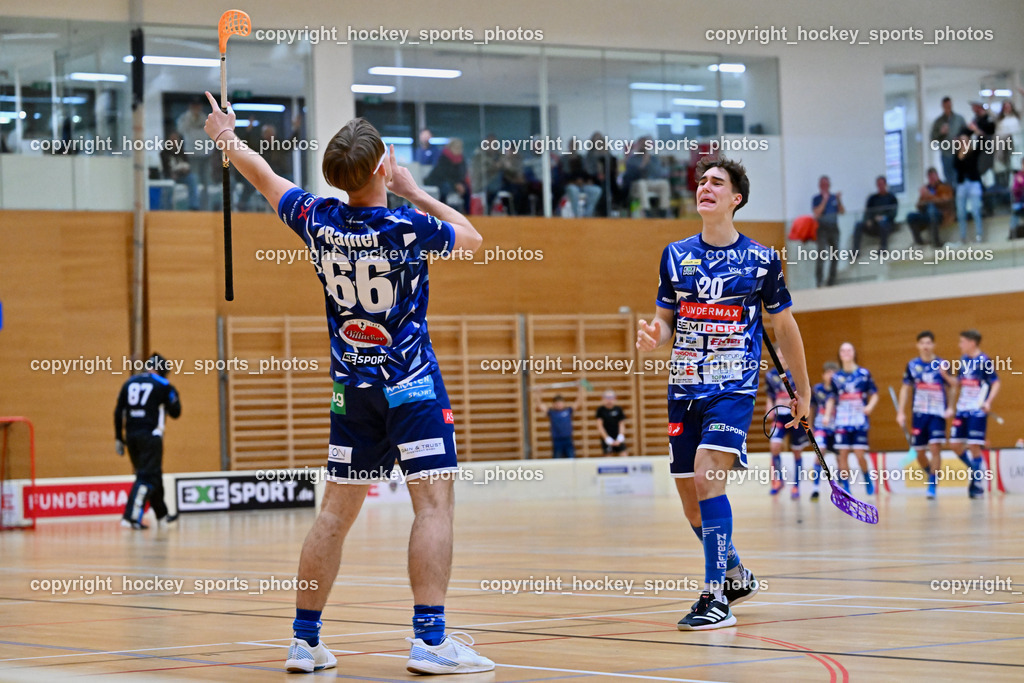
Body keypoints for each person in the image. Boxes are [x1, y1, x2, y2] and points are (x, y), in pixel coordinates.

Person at [200, 92, 492, 675]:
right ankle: (430, 641)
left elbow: (265, 175)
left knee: (334, 514)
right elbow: (472, 238)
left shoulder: (317, 218)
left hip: (350, 391)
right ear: (383, 164)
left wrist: (225, 139)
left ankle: (304, 643)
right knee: (432, 505)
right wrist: (415, 192)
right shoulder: (409, 225)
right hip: (410, 385)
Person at [636, 155, 812, 630]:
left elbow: (784, 326)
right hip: (684, 387)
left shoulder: (761, 259)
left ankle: (715, 596)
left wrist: (803, 388)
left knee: (708, 473)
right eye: (702, 181)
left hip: (733, 384)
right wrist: (654, 333)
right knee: (690, 496)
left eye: (717, 182)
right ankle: (734, 571)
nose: (705, 187)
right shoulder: (675, 254)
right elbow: (666, 319)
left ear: (736, 199)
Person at [114, 353, 181, 530]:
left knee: (153, 474)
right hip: (151, 437)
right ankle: (130, 517)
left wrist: (119, 438)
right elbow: (176, 411)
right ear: (161, 370)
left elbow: (118, 411)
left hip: (131, 437)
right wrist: (171, 398)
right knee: (147, 477)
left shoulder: (129, 383)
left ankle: (162, 515)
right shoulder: (163, 385)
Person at [896, 331, 956, 499]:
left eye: (929, 343)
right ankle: (932, 474)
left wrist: (950, 407)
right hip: (919, 414)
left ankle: (932, 485)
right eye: (922, 343)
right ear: (918, 345)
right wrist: (900, 412)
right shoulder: (912, 365)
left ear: (933, 345)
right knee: (919, 452)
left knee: (935, 447)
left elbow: (952, 386)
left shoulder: (942, 364)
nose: (926, 346)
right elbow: (905, 389)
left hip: (937, 413)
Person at [950, 329, 1000, 499]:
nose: (959, 345)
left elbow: (996, 383)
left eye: (962, 341)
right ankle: (975, 469)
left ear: (972, 342)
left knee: (974, 446)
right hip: (962, 408)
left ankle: (977, 485)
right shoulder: (963, 360)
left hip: (977, 410)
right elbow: (957, 383)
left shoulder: (984, 360)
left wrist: (988, 402)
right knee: (955, 444)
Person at [826, 342, 878, 495]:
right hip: (842, 420)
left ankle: (867, 478)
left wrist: (870, 407)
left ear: (854, 353)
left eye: (849, 350)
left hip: (859, 420)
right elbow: (831, 398)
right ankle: (846, 487)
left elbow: (874, 393)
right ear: (840, 355)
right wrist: (828, 415)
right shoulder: (836, 377)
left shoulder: (864, 374)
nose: (846, 352)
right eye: (843, 350)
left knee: (859, 453)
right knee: (842, 453)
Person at [764, 349, 808, 499]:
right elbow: (770, 396)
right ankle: (778, 481)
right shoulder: (770, 375)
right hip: (779, 418)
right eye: (779, 355)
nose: (781, 357)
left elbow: (806, 396)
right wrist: (769, 410)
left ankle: (796, 486)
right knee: (774, 446)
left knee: (796, 451)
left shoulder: (797, 373)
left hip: (795, 417)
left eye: (784, 354)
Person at [809, 362, 839, 502]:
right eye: (828, 372)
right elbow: (812, 408)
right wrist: (810, 426)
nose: (831, 375)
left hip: (838, 428)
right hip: (821, 427)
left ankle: (844, 488)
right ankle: (815, 488)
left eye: (834, 372)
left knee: (841, 458)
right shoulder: (817, 389)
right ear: (823, 375)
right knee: (819, 452)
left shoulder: (840, 390)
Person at [176, 98, 212, 210]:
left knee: (207, 182)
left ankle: (206, 208)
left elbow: (211, 132)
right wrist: (190, 117)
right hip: (192, 155)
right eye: (194, 106)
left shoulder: (206, 118)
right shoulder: (184, 118)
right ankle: (195, 207)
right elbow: (181, 130)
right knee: (194, 181)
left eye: (198, 106)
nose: (196, 109)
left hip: (206, 155)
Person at [623, 137, 671, 217]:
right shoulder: (632, 159)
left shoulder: (653, 159)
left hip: (652, 182)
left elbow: (659, 173)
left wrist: (650, 161)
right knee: (642, 184)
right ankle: (647, 211)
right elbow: (631, 174)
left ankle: (663, 211)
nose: (644, 146)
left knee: (664, 183)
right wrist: (643, 164)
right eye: (642, 144)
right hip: (637, 184)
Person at [906, 168, 953, 248]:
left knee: (932, 209)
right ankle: (919, 242)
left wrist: (929, 197)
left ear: (937, 176)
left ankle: (936, 241)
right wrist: (924, 200)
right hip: (926, 214)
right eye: (930, 177)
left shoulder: (944, 187)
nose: (932, 179)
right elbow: (919, 205)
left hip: (940, 213)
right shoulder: (926, 188)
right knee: (910, 216)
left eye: (933, 177)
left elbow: (945, 201)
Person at [953, 128, 985, 244]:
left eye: (966, 141)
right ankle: (963, 237)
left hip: (973, 183)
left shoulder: (973, 153)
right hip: (962, 185)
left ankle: (979, 236)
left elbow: (982, 141)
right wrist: (961, 152)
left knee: (976, 210)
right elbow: (956, 166)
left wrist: (976, 130)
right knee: (961, 212)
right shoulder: (957, 155)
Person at [811, 175, 844, 287]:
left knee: (835, 254)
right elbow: (817, 213)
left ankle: (832, 280)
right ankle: (819, 280)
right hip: (822, 229)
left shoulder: (834, 197)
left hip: (834, 228)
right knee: (821, 254)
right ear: (820, 186)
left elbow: (842, 211)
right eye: (823, 184)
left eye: (826, 184)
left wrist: (839, 200)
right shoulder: (816, 198)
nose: (825, 186)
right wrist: (824, 200)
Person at [534, 387, 584, 458]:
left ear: (563, 403)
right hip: (557, 440)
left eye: (560, 403)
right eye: (557, 403)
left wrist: (580, 389)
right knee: (556, 459)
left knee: (571, 458)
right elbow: (539, 404)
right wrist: (538, 393)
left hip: (568, 439)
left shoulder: (568, 411)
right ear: (554, 404)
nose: (558, 405)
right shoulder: (551, 412)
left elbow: (578, 402)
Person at [852, 176, 898, 253]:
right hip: (874, 224)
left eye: (882, 184)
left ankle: (883, 247)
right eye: (878, 184)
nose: (880, 186)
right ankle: (855, 251)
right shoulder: (872, 198)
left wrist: (883, 217)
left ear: (885, 184)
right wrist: (867, 220)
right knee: (858, 225)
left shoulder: (891, 197)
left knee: (882, 223)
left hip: (886, 225)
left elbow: (893, 214)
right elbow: (868, 212)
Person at [424, 138, 470, 212]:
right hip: (438, 181)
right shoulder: (443, 158)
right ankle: (442, 210)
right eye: (456, 147)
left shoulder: (461, 160)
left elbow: (462, 174)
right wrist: (455, 184)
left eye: (460, 147)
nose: (458, 149)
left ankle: (467, 213)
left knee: (467, 189)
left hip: (454, 183)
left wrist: (460, 184)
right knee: (446, 187)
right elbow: (443, 175)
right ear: (450, 147)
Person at [930, 97, 966, 186]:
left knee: (960, 177)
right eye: (946, 105)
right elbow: (933, 138)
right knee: (949, 178)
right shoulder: (938, 122)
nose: (948, 107)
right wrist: (941, 133)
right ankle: (952, 197)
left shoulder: (959, 119)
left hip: (959, 153)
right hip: (946, 154)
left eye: (949, 105)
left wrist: (960, 139)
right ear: (942, 106)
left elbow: (966, 133)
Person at [595, 390, 628, 456]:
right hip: (607, 437)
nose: (609, 400)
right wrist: (607, 438)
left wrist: (620, 437)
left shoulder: (618, 409)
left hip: (617, 436)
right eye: (607, 398)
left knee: (624, 454)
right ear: (603, 399)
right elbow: (600, 426)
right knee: (608, 457)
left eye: (611, 398)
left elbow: (621, 424)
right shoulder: (600, 410)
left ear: (615, 399)